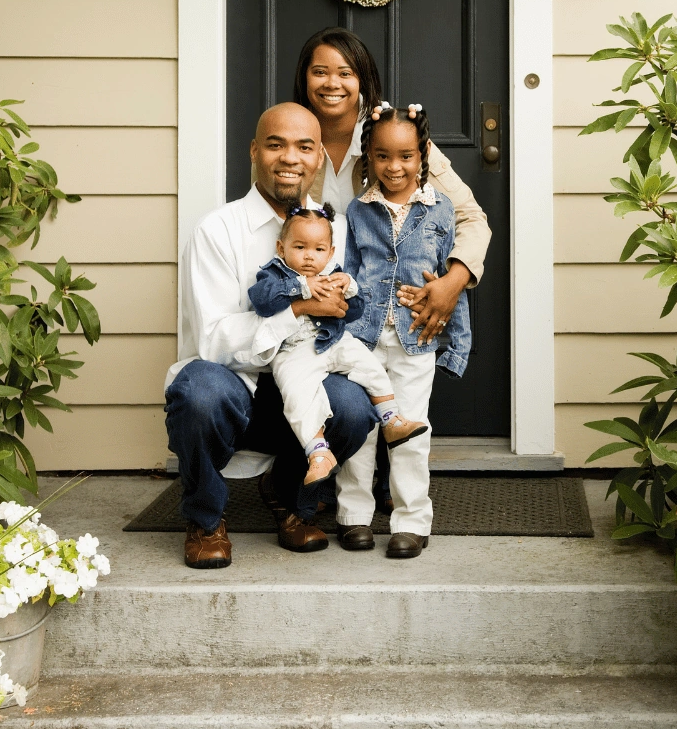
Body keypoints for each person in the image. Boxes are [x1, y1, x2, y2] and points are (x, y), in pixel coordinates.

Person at [164, 102, 379, 569]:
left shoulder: (336, 229)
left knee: (354, 406)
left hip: (304, 384)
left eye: (304, 147)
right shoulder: (217, 230)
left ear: (319, 157)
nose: (290, 158)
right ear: (254, 151)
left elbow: (347, 310)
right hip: (233, 388)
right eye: (276, 145)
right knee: (197, 391)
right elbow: (213, 343)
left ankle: (292, 499)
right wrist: (298, 307)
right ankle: (204, 517)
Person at [293, 26, 490, 514]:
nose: (332, 83)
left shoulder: (394, 140)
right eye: (320, 71)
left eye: (346, 72)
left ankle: (394, 492)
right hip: (317, 302)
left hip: (389, 311)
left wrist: (453, 281)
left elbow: (470, 218)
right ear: (305, 79)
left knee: (400, 398)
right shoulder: (295, 137)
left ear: (364, 81)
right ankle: (309, 479)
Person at [338, 102, 471, 559]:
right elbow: (350, 274)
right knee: (362, 429)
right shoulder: (358, 212)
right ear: (368, 157)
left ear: (422, 158)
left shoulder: (441, 212)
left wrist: (458, 345)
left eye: (406, 157)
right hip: (363, 337)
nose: (394, 167)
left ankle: (411, 521)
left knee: (412, 429)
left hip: (417, 339)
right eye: (382, 156)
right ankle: (354, 515)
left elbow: (452, 284)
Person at [248, 201, 427, 488]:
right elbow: (261, 300)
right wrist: (303, 288)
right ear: (282, 249)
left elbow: (353, 311)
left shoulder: (333, 272)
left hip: (334, 341)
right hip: (294, 351)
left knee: (368, 364)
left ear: (330, 252)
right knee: (298, 395)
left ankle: (391, 419)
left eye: (319, 250)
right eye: (300, 247)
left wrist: (349, 287)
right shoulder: (275, 274)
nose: (309, 257)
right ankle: (318, 452)